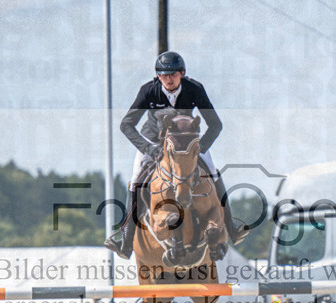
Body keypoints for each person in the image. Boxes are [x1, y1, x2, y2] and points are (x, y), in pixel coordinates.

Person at [105, 51, 248, 259]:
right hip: (153, 141)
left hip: (186, 143)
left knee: (213, 172)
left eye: (173, 74)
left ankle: (231, 227)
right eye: (163, 75)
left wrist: (200, 147)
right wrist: (148, 148)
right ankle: (125, 241)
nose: (168, 79)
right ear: (158, 76)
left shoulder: (194, 89)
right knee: (136, 180)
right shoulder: (149, 91)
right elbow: (126, 125)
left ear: (182, 73)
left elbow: (215, 124)